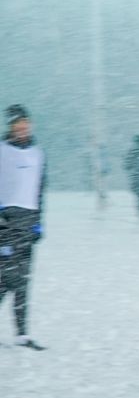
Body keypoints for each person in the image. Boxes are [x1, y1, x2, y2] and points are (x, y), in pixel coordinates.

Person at [0, 105, 48, 350]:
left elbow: (40, 190)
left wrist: (40, 222)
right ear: (10, 126)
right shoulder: (2, 151)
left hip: (28, 223)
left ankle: (22, 334)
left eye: (25, 122)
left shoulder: (39, 154)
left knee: (24, 280)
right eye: (17, 123)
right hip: (5, 223)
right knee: (5, 278)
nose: (22, 127)